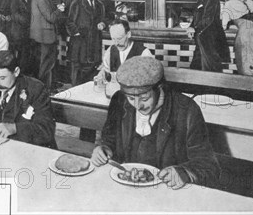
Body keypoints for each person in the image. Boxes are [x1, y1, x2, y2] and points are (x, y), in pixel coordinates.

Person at [91, 56, 220, 189]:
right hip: (126, 189)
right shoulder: (119, 100)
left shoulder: (186, 110)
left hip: (168, 194)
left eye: (145, 98)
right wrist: (103, 149)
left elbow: (209, 165)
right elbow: (109, 139)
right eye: (131, 98)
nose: (137, 105)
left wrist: (184, 172)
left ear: (160, 88)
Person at [0, 50, 56, 147]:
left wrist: (15, 128)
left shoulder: (36, 88)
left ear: (16, 72)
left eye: (3, 78)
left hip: (28, 149)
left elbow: (47, 129)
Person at [66, 0, 106, 86]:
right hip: (80, 46)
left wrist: (102, 24)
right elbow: (69, 23)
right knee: (77, 75)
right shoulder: (77, 4)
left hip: (94, 45)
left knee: (91, 74)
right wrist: (79, 32)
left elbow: (103, 20)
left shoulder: (99, 5)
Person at [29, 0, 66, 91]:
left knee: (45, 64)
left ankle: (47, 87)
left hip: (43, 35)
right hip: (45, 36)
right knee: (46, 64)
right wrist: (59, 10)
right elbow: (50, 17)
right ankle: (45, 90)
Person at [185, 0, 230, 72]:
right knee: (197, 66)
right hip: (202, 37)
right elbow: (198, 16)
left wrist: (194, 28)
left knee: (210, 67)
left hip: (209, 38)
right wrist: (192, 26)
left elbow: (208, 19)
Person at [10, 0, 35, 76]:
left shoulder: (28, 0)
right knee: (21, 59)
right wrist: (32, 21)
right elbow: (17, 17)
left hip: (26, 34)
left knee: (26, 58)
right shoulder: (16, 0)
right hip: (18, 35)